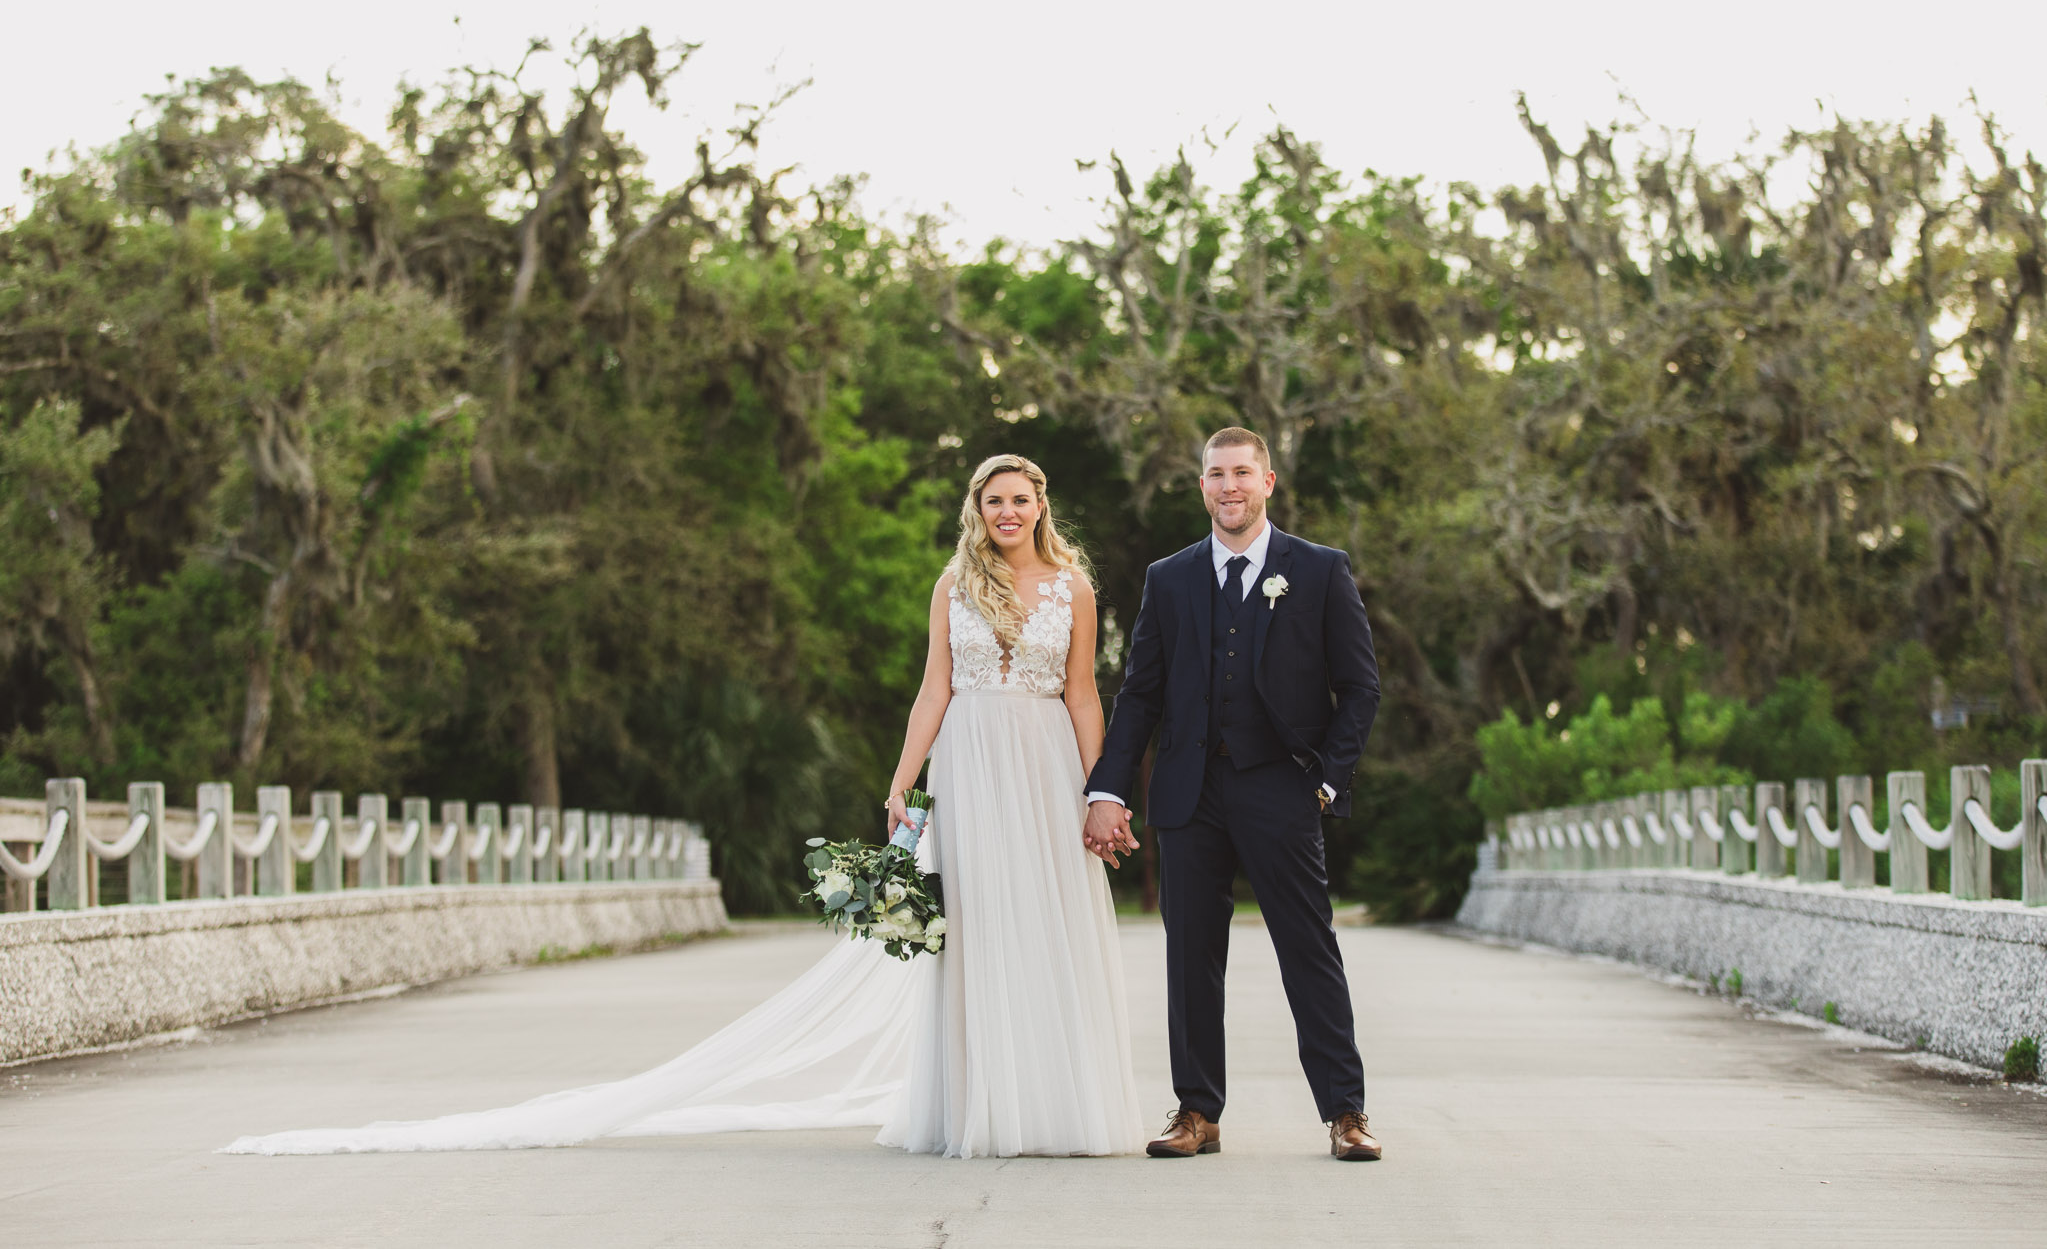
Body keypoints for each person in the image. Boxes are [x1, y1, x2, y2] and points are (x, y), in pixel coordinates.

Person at [223, 453, 1144, 1158]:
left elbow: (1083, 694)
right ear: (976, 511)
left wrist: (1098, 787)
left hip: (1045, 762)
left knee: (1049, 922)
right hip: (973, 762)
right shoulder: (955, 583)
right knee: (976, 928)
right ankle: (984, 1107)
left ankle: (1059, 1099)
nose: (1008, 512)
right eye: (994, 500)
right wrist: (903, 779)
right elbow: (932, 690)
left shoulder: (1075, 587)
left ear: (1040, 507)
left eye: (1021, 499)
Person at [1082, 426, 1384, 1162]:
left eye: (1242, 473)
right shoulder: (1170, 576)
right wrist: (1107, 789)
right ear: (1201, 487)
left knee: (1307, 949)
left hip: (1281, 789)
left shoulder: (1317, 569)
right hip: (1188, 792)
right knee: (1190, 955)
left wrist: (1325, 778)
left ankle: (1345, 1113)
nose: (1229, 486)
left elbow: (1360, 686)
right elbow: (1140, 693)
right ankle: (1195, 1111)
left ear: (1268, 481)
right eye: (1216, 474)